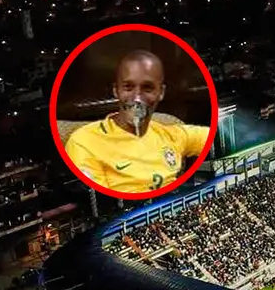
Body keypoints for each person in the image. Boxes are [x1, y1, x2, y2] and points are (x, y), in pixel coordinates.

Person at [64, 49, 210, 194]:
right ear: (116, 90)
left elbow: (221, 134)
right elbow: (101, 204)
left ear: (161, 92)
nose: (137, 98)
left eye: (147, 88)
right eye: (128, 87)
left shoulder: (171, 133)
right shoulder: (84, 142)